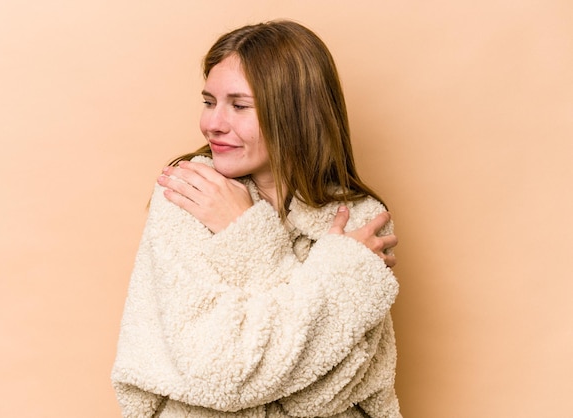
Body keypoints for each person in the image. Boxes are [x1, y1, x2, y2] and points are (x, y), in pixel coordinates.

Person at [112, 20, 402, 418]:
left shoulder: (362, 218)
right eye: (209, 101)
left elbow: (326, 394)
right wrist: (332, 273)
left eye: (239, 105)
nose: (213, 123)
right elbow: (215, 372)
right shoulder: (189, 192)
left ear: (296, 113)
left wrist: (246, 232)